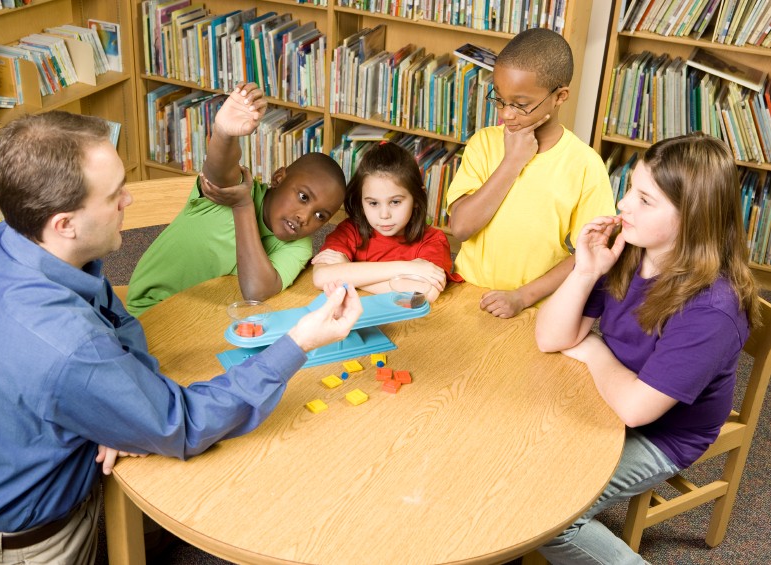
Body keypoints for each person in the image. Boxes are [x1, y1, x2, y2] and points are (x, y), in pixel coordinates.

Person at [0, 110, 362, 564]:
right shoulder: (73, 349)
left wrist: (122, 407)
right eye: (114, 195)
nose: (129, 201)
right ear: (65, 224)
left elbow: (114, 321)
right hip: (26, 544)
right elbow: (185, 424)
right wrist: (298, 343)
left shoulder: (7, 241)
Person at [534, 133, 759, 564]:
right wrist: (584, 271)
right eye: (629, 188)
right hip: (613, 392)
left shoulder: (714, 309)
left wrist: (596, 350)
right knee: (519, 452)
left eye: (644, 199)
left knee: (551, 518)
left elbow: (637, 410)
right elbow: (551, 338)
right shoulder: (631, 248)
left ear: (692, 217)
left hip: (663, 434)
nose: (622, 205)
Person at [126, 82, 347, 316]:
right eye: (303, 197)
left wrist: (243, 207)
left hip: (198, 315)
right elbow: (219, 171)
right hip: (147, 310)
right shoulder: (238, 188)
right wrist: (224, 133)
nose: (305, 217)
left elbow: (257, 291)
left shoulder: (299, 246)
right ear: (278, 178)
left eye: (320, 216)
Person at [446, 28, 615, 318]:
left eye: (520, 105)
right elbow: (460, 227)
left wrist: (523, 297)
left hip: (534, 307)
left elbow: (590, 253)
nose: (505, 114)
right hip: (467, 292)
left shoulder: (585, 165)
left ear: (560, 96)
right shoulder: (484, 144)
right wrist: (512, 162)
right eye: (499, 99)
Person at [311, 142, 462, 303]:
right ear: (361, 200)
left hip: (408, 324)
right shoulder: (350, 230)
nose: (384, 215)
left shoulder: (433, 241)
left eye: (395, 202)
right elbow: (321, 277)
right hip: (355, 312)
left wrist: (349, 273)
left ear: (416, 198)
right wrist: (408, 268)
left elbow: (422, 295)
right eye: (373, 203)